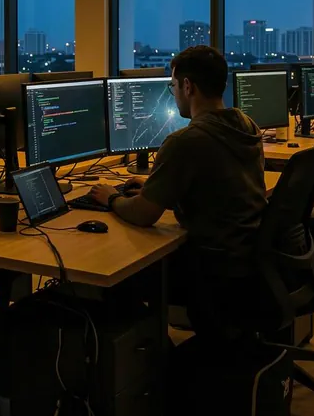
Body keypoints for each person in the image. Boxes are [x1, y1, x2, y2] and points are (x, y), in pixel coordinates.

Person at [89, 45, 269, 279]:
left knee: (116, 266)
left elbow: (144, 215)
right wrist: (159, 191)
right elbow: (219, 194)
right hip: (247, 257)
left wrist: (112, 197)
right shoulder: (246, 125)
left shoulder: (184, 141)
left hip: (211, 268)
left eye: (173, 86)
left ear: (187, 86)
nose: (173, 93)